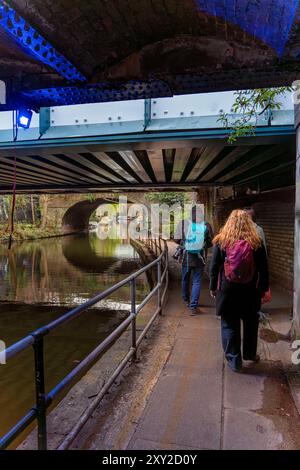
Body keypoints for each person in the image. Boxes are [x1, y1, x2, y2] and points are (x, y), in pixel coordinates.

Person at [209, 210, 269, 373]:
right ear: (248, 223)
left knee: (229, 324)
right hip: (250, 291)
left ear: (229, 222)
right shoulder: (256, 241)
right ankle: (249, 354)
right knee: (250, 323)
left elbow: (214, 267)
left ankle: (235, 361)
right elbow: (264, 269)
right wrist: (264, 289)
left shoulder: (221, 241)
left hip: (228, 290)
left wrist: (213, 287)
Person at [174, 206, 213, 316]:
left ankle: (186, 299)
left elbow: (176, 239)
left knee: (185, 278)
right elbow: (211, 242)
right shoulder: (206, 225)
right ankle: (193, 306)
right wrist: (201, 244)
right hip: (200, 257)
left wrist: (185, 242)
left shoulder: (183, 223)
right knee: (197, 281)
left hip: (186, 257)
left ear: (190, 214)